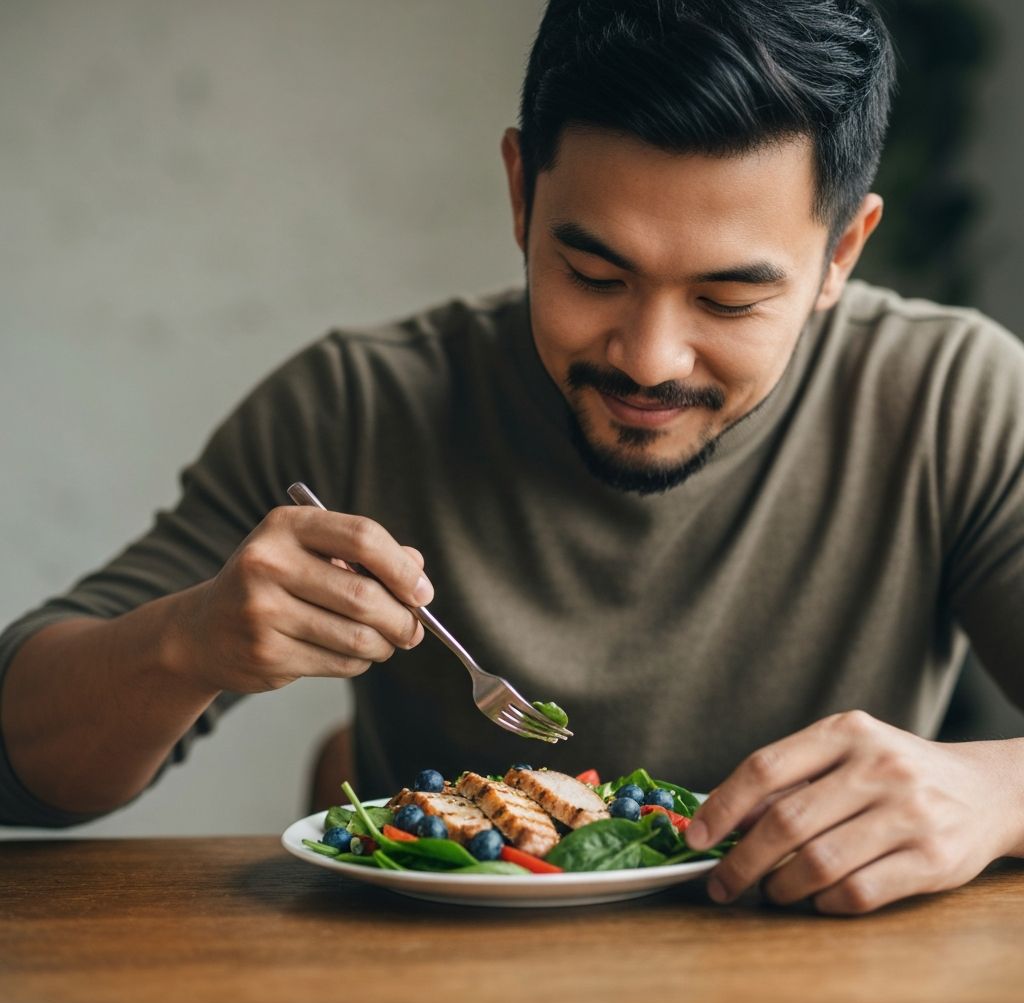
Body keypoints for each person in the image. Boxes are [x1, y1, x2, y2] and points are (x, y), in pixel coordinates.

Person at [2, 0, 1023, 915]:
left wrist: (995, 790)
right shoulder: (358, 406)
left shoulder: (949, 400)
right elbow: (20, 766)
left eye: (727, 300)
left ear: (841, 252)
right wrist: (188, 639)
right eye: (592, 272)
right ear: (521, 194)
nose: (649, 358)